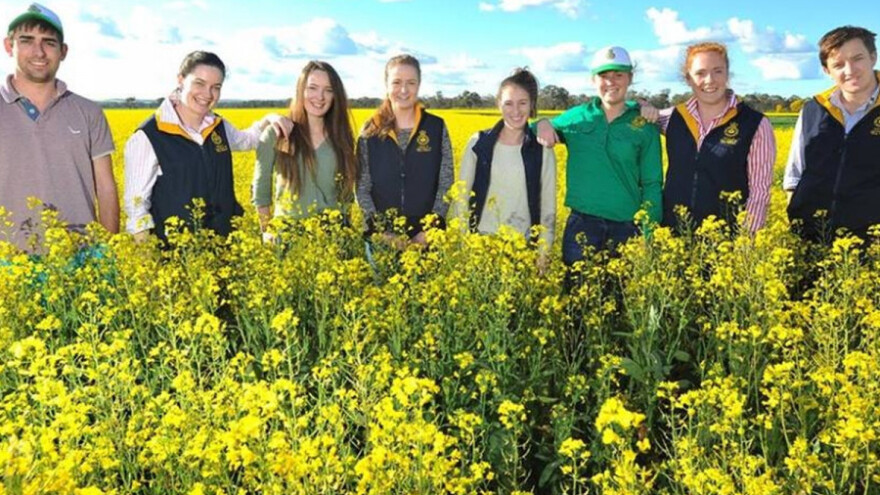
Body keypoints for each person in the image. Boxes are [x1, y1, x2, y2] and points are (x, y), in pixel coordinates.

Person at [124, 50, 287, 242]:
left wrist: (269, 118)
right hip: (177, 254)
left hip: (225, 245)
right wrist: (146, 256)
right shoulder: (148, 136)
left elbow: (248, 139)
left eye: (216, 87)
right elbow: (136, 207)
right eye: (199, 83)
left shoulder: (218, 125)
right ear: (181, 80)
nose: (208, 94)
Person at [1, 3, 119, 252]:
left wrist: (108, 252)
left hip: (80, 258)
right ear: (9, 46)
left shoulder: (89, 112)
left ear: (63, 51)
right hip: (7, 262)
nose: (39, 52)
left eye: (49, 42)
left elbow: (106, 187)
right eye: (27, 40)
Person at [534, 46, 662, 267]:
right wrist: (541, 122)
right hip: (581, 225)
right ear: (593, 80)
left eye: (619, 75)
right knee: (577, 297)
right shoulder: (578, 117)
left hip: (627, 226)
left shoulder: (645, 125)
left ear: (630, 79)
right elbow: (532, 130)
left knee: (618, 299)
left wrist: (648, 234)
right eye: (604, 75)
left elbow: (652, 183)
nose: (611, 82)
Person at [641, 42, 775, 234]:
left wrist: (747, 241)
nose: (710, 80)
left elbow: (759, 192)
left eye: (718, 71)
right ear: (688, 78)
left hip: (727, 241)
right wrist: (639, 103)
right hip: (673, 234)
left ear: (727, 74)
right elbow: (634, 114)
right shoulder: (672, 118)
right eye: (700, 73)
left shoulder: (755, 124)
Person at [784, 26, 880, 242]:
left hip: (871, 238)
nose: (849, 70)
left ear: (873, 57)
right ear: (827, 71)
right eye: (838, 64)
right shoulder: (813, 109)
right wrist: (797, 220)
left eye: (857, 58)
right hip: (810, 235)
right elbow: (794, 174)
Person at [455, 68, 556, 260]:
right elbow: (461, 197)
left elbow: (548, 207)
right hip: (481, 246)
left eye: (522, 103)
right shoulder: (478, 143)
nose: (515, 111)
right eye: (508, 103)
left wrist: (543, 254)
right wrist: (465, 243)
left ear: (532, 105)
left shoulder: (542, 149)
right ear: (499, 104)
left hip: (523, 248)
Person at [356, 54, 454, 247]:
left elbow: (446, 182)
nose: (403, 90)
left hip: (426, 239)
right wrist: (380, 231)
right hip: (382, 238)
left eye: (411, 82)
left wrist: (431, 228)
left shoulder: (436, 127)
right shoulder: (370, 130)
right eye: (396, 82)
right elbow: (361, 188)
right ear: (386, 85)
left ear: (419, 85)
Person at [252, 61, 356, 236]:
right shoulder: (276, 133)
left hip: (331, 234)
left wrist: (344, 236)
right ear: (301, 90)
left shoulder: (342, 138)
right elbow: (261, 187)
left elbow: (346, 193)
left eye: (328, 90)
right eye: (312, 88)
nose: (320, 96)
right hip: (287, 235)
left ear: (335, 96)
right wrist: (266, 231)